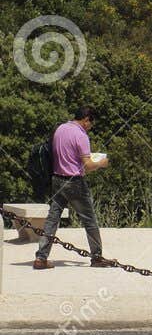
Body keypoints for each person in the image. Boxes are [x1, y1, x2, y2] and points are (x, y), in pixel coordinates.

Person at [32, 106, 113, 270]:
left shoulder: (60, 129)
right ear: (86, 119)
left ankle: (41, 257)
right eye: (91, 123)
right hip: (74, 182)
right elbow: (88, 165)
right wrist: (101, 163)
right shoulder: (81, 136)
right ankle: (97, 257)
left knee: (52, 219)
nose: (90, 127)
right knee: (89, 220)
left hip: (57, 179)